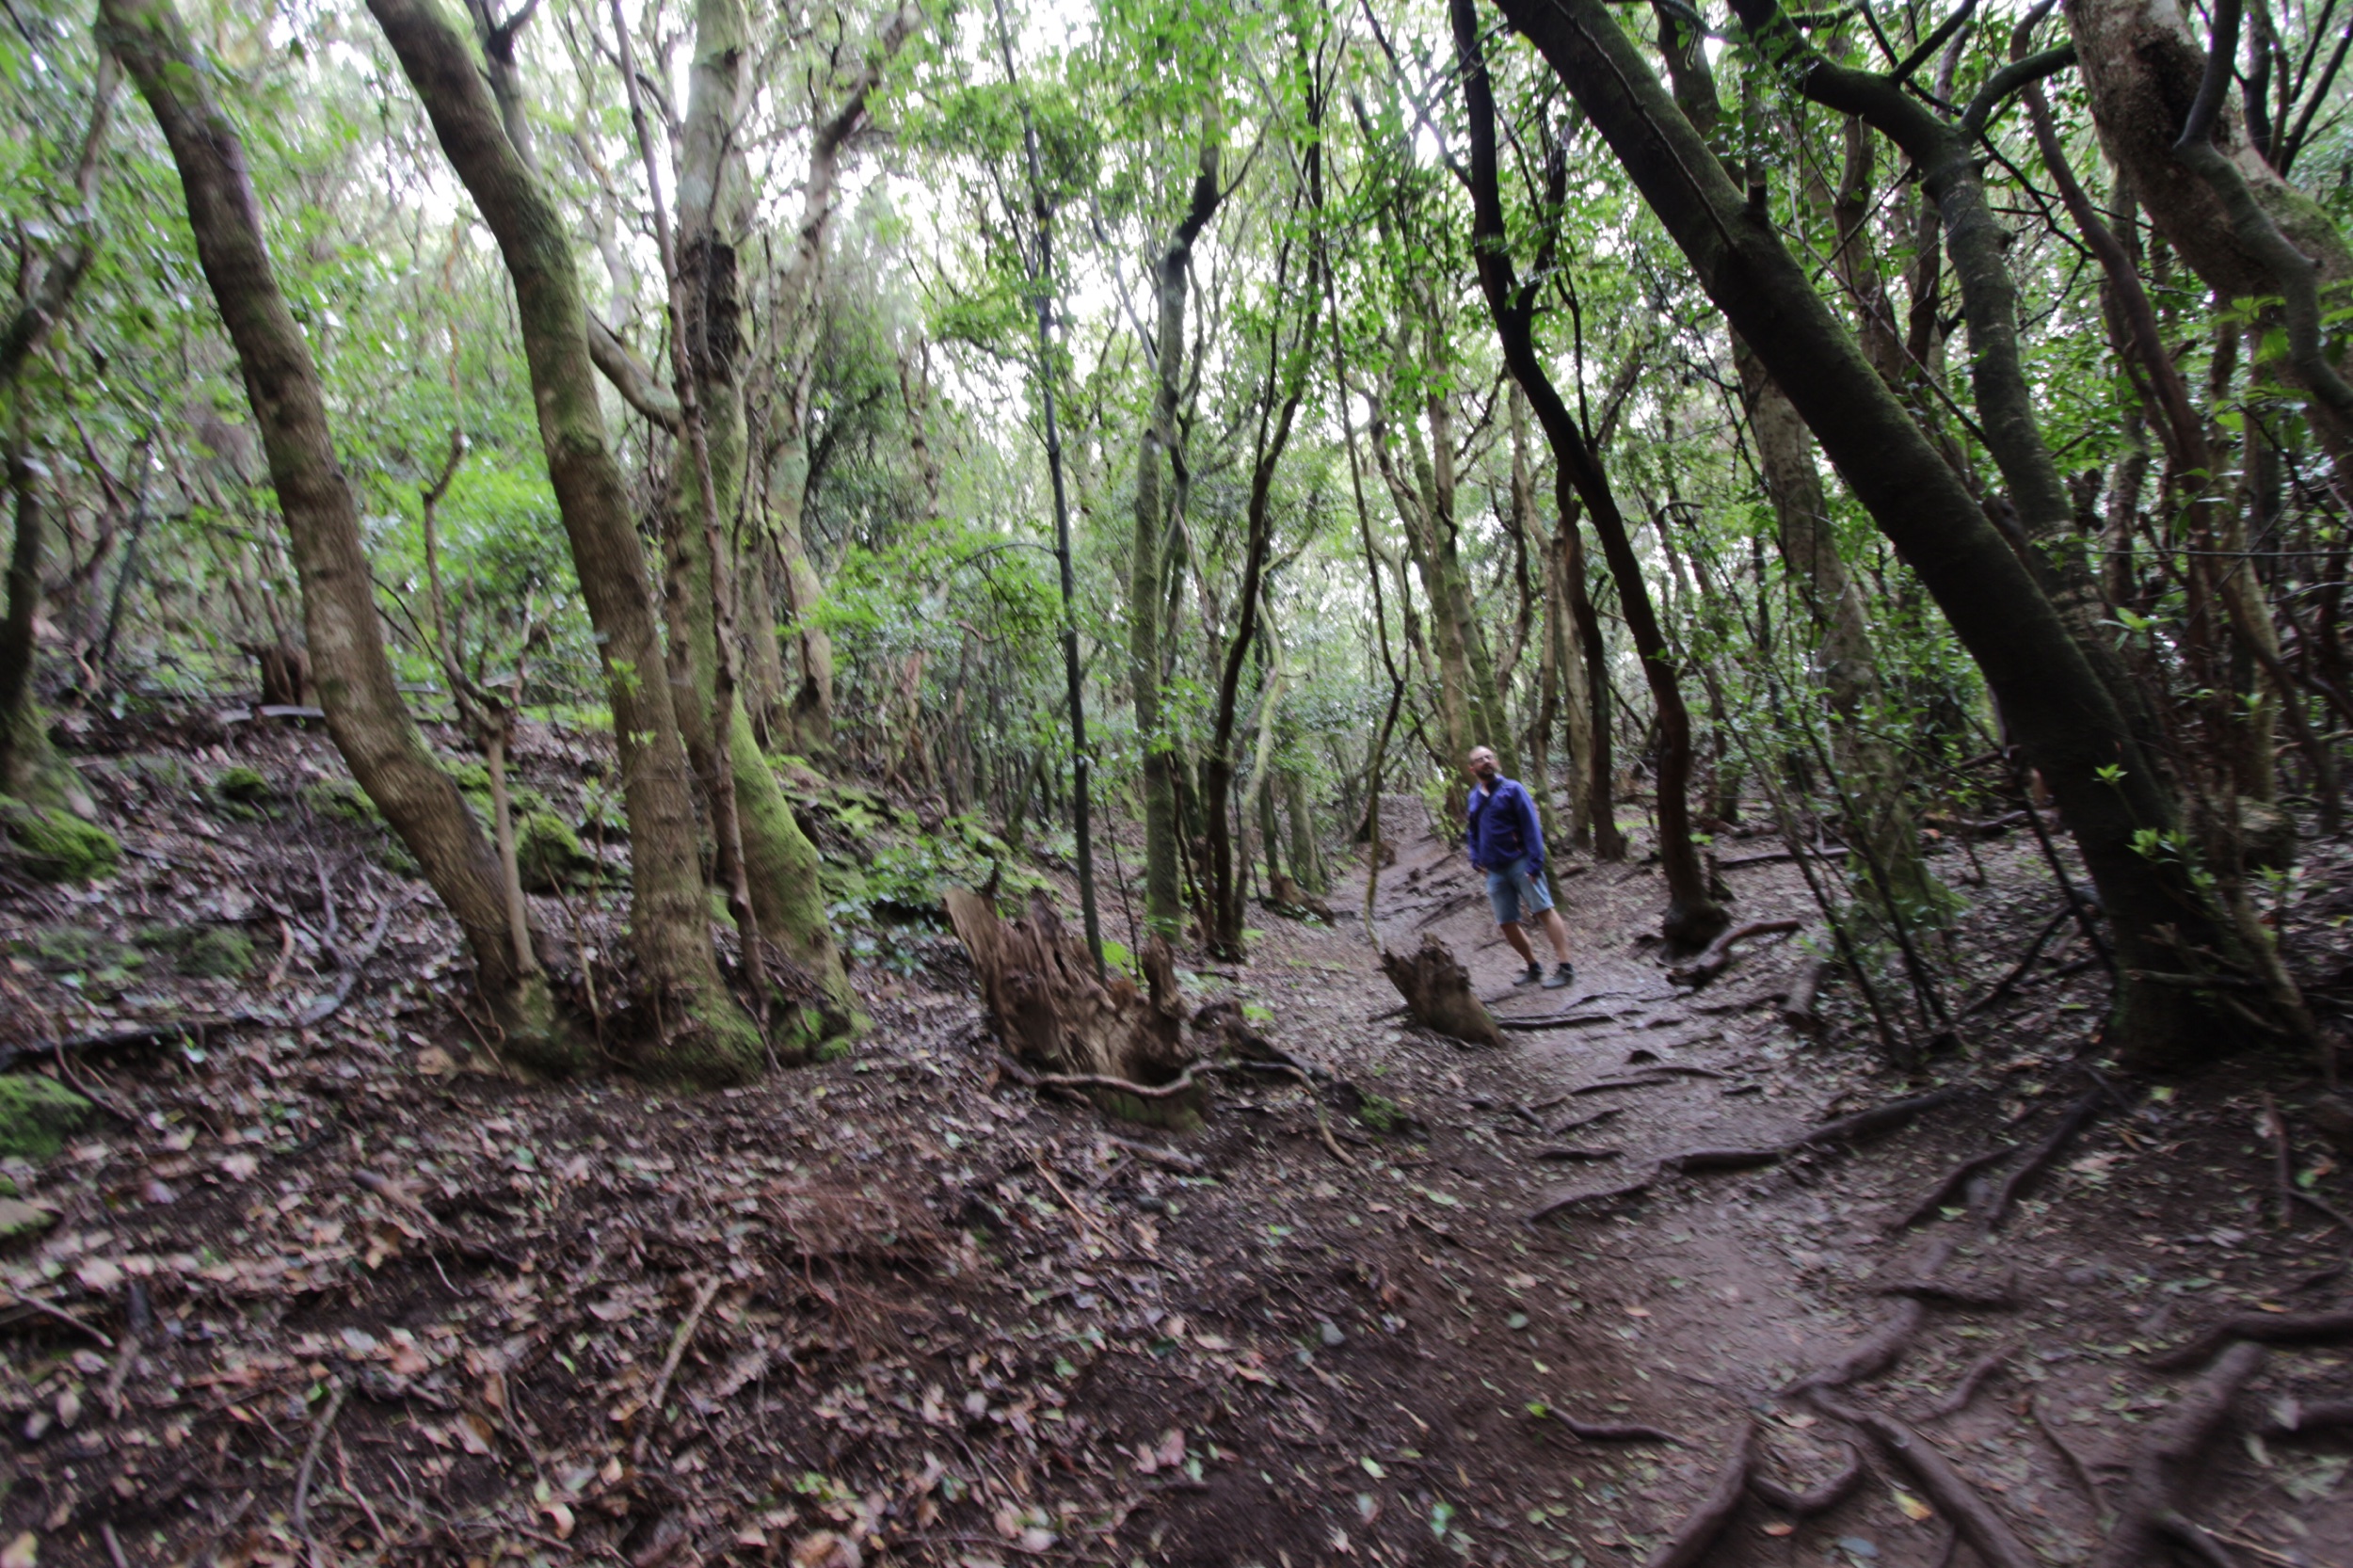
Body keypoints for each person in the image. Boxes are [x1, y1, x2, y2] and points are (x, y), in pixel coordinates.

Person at [1463, 744, 1576, 988]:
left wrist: (1535, 863)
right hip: (1494, 870)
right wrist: (1475, 858)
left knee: (1543, 909)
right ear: (1472, 769)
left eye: (1489, 757)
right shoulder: (1473, 796)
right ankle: (1533, 966)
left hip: (1520, 862)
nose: (1486, 762)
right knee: (1506, 922)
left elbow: (1531, 826)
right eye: (1480, 760)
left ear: (1497, 762)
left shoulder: (1513, 789)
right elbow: (1472, 830)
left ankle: (1565, 967)